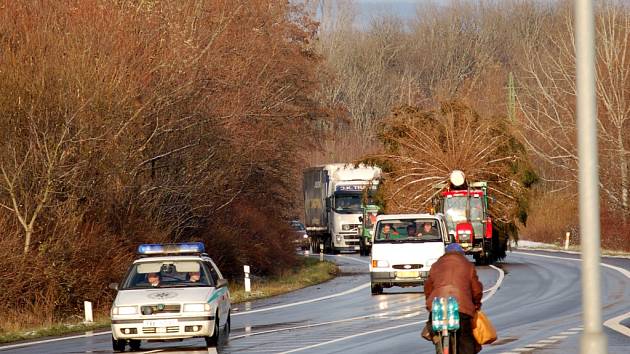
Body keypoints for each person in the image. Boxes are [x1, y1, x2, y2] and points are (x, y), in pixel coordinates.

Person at [424, 243, 483, 354]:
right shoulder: (468, 265)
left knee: (433, 327)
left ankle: (438, 341)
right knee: (465, 338)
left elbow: (428, 287)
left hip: (438, 307)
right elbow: (477, 290)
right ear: (461, 254)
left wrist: (429, 304)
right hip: (462, 308)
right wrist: (476, 304)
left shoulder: (436, 265)